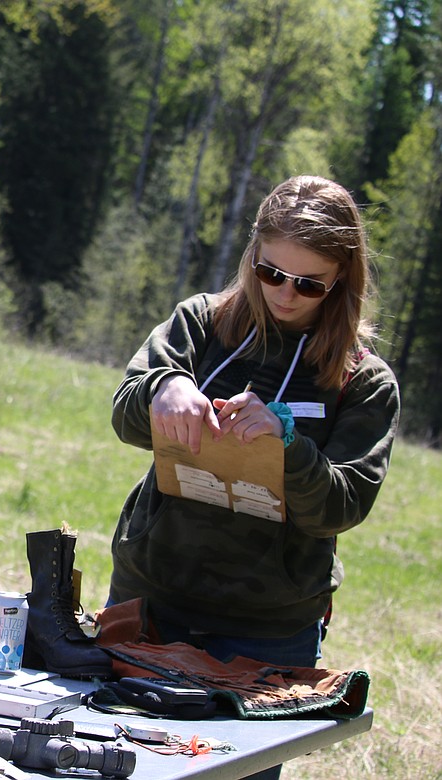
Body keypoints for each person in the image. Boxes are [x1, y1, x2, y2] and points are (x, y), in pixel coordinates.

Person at [108, 175, 399, 777]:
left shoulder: (363, 380)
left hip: (267, 628)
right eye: (271, 273)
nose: (285, 294)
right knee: (113, 761)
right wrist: (166, 389)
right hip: (153, 596)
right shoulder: (202, 324)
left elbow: (341, 507)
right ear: (252, 256)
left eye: (308, 283)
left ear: (342, 278)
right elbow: (125, 411)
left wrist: (286, 445)